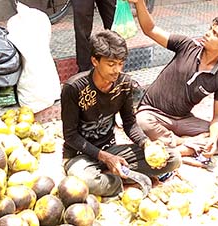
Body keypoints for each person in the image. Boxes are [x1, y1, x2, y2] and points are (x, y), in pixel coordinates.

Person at [120, 0, 218, 164]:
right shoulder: (187, 45)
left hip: (183, 120)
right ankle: (185, 145)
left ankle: (177, 150)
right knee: (141, 122)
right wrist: (139, 1)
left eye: (214, 34)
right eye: (210, 29)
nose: (207, 33)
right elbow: (150, 29)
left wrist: (213, 140)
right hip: (153, 113)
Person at [61, 30, 181, 197]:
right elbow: (70, 136)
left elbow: (130, 123)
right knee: (86, 182)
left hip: (112, 149)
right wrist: (105, 158)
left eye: (120, 63)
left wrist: (146, 144)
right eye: (111, 64)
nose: (117, 70)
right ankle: (125, 179)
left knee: (172, 158)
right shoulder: (74, 88)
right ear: (95, 61)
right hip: (80, 155)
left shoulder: (124, 84)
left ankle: (116, 176)